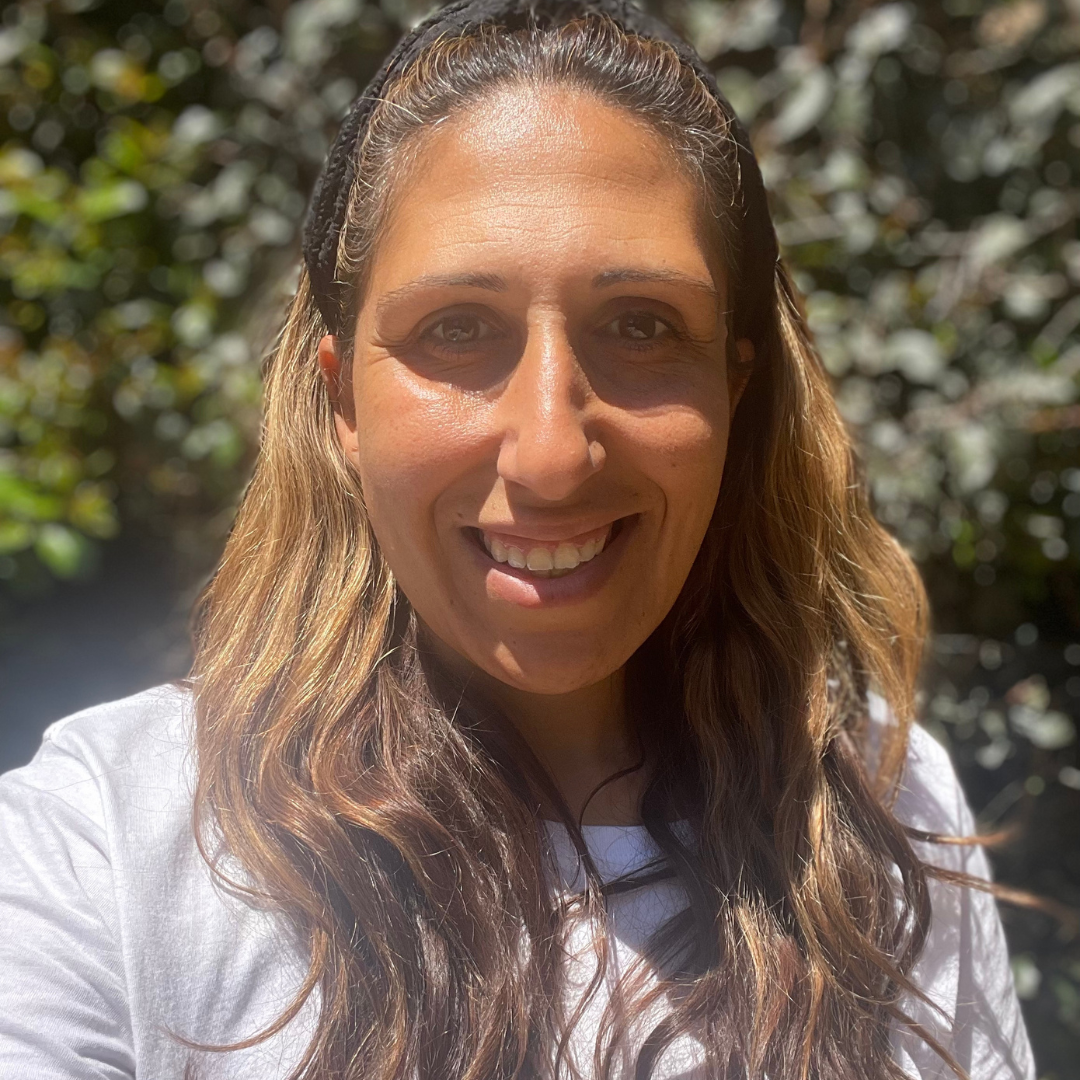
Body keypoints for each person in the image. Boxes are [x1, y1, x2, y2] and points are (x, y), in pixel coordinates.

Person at [0, 1, 1036, 1077]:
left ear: (736, 384)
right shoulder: (103, 857)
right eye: (457, 330)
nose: (551, 454)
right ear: (342, 397)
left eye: (642, 325)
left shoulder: (877, 809)